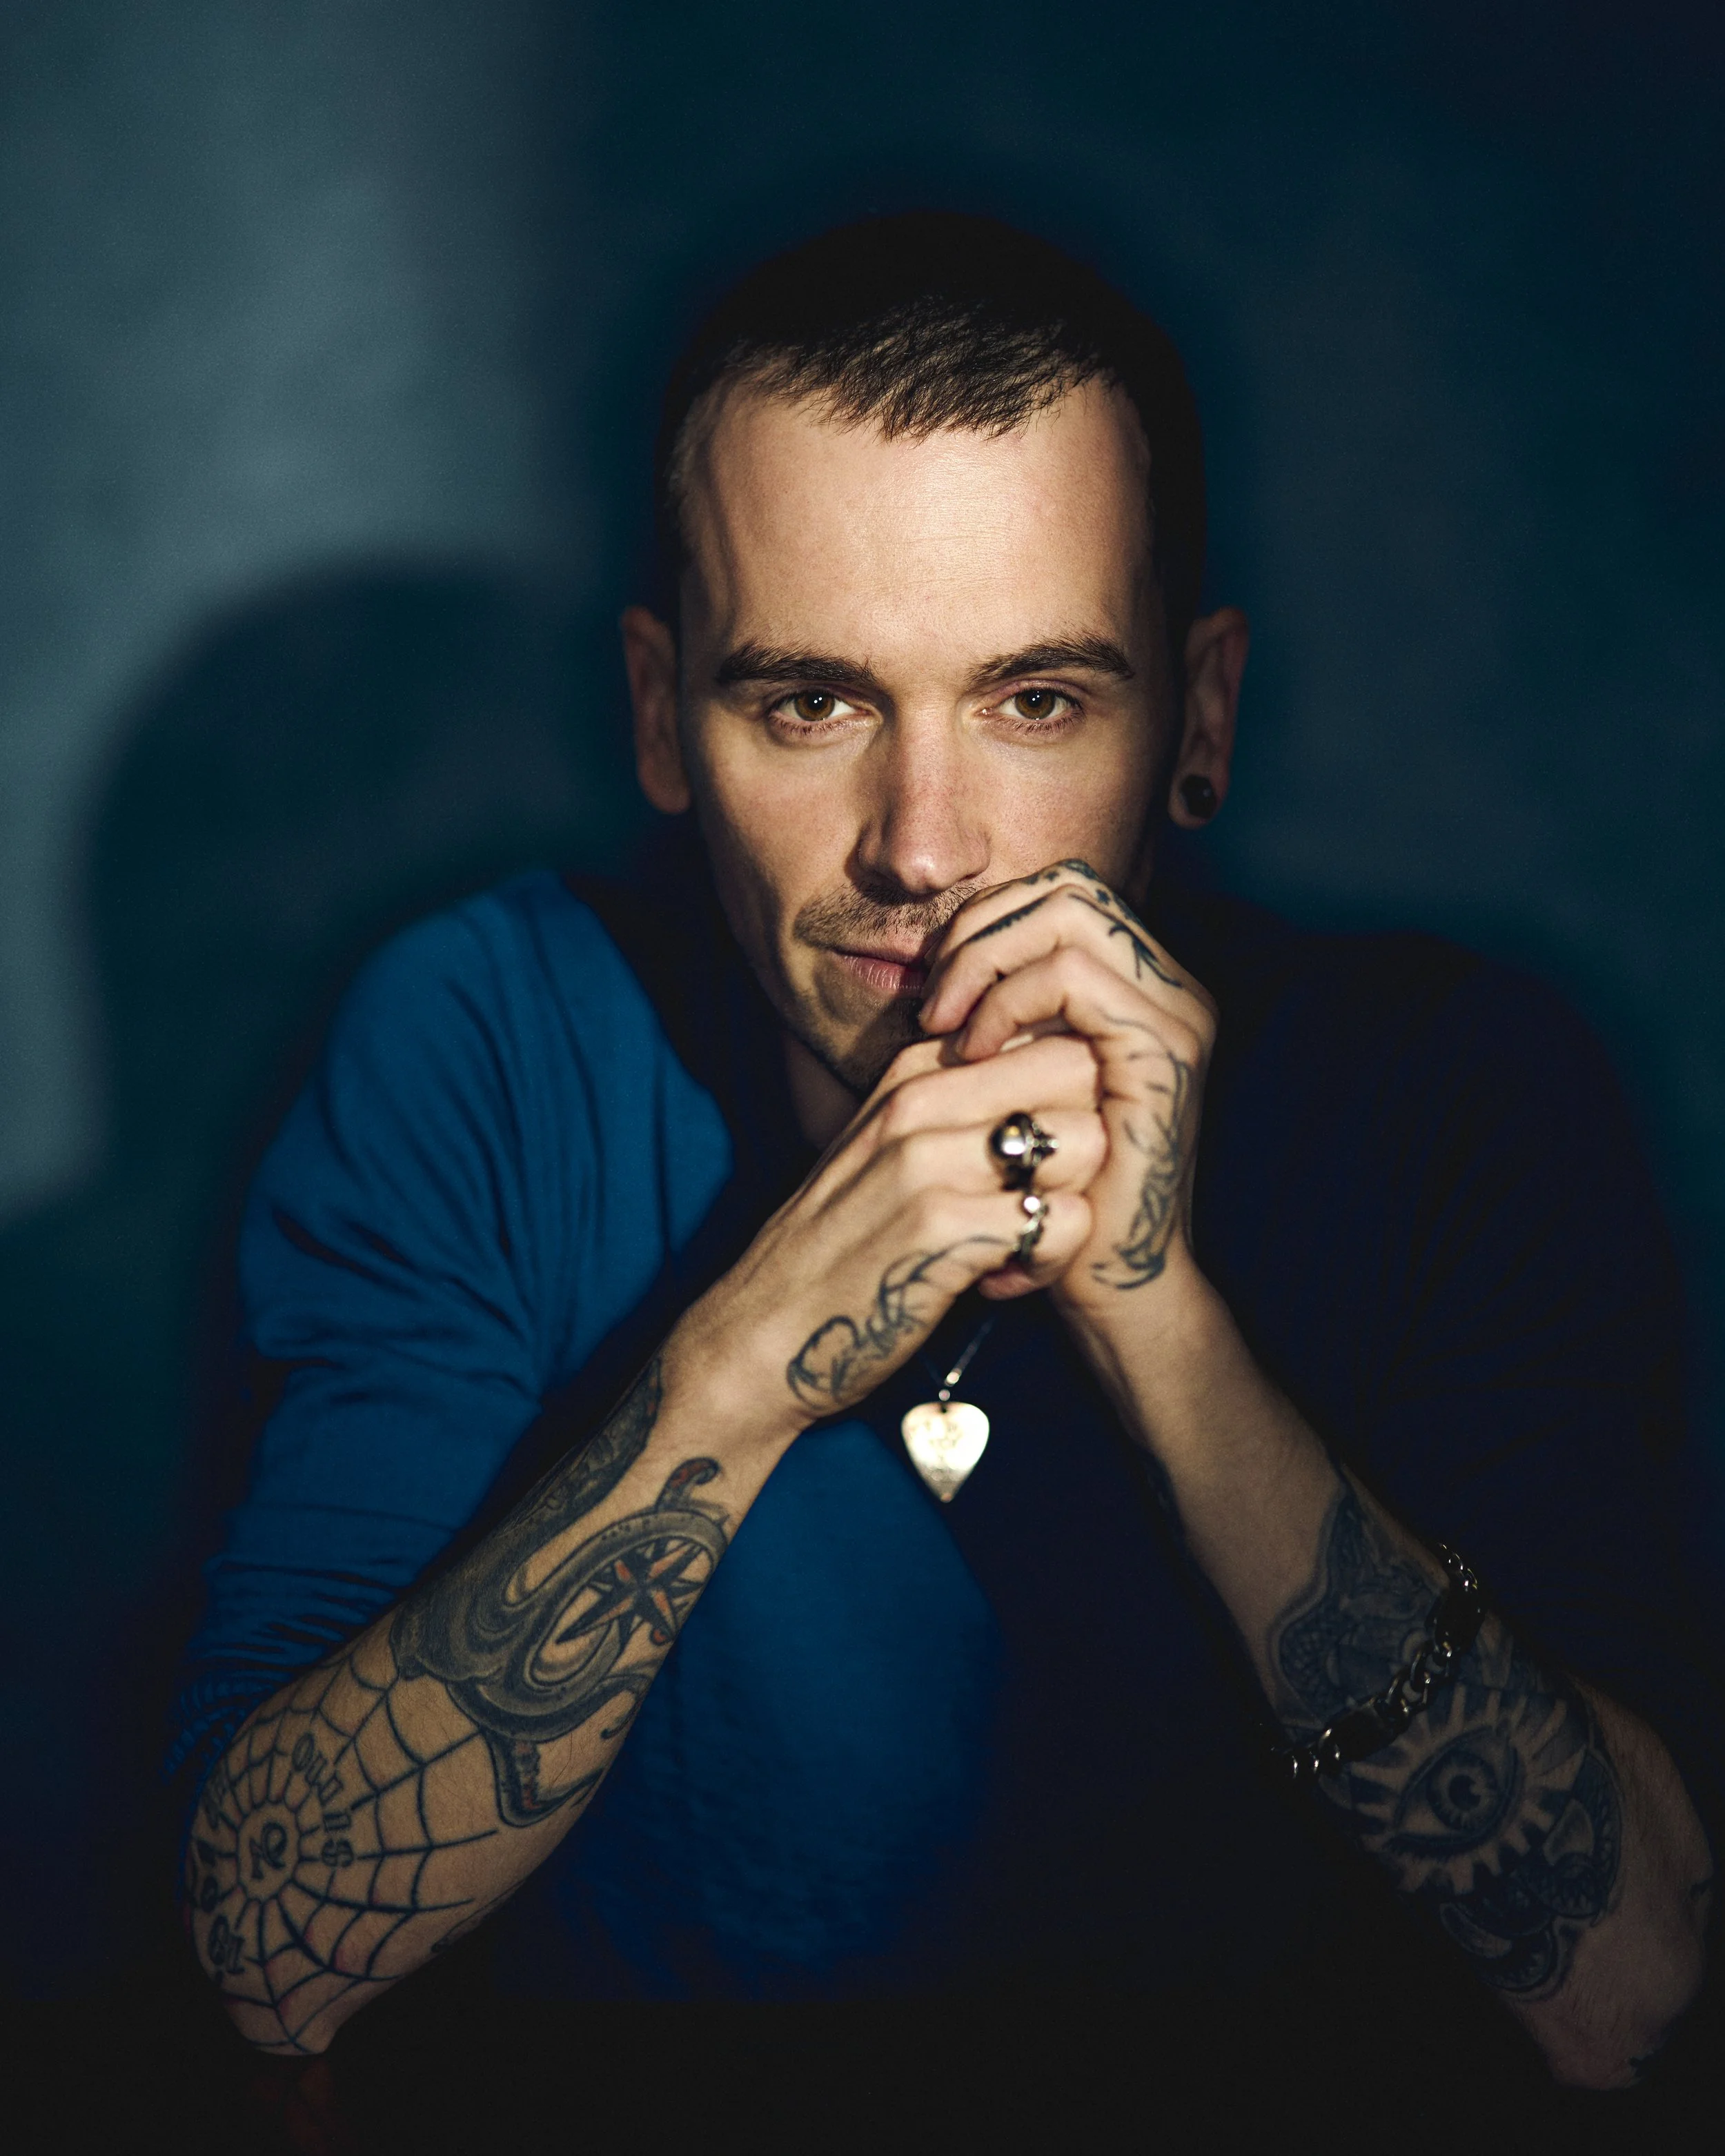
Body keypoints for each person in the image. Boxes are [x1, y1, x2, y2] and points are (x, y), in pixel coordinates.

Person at [170, 214, 1719, 2121]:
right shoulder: (484, 1039)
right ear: (664, 717)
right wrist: (745, 1363)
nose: (923, 843)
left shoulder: (1449, 1092)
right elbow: (268, 1953)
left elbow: (1627, 1984)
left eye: (1037, 702)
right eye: (809, 702)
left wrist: (1153, 1316)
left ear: (1197, 720)